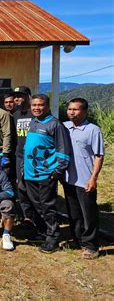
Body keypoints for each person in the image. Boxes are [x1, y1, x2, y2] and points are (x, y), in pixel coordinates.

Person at [23, 94, 72, 254]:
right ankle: (43, 231)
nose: (37, 108)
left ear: (48, 106)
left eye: (40, 105)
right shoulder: (33, 122)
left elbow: (63, 151)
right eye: (34, 105)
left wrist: (57, 171)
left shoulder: (55, 124)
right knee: (36, 204)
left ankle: (53, 237)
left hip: (46, 174)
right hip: (30, 173)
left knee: (47, 206)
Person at [63, 98, 104, 259]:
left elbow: (99, 156)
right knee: (73, 213)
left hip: (85, 179)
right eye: (70, 109)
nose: (72, 112)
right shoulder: (65, 127)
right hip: (68, 179)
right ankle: (77, 240)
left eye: (76, 109)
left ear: (85, 112)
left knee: (89, 214)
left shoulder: (93, 130)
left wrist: (93, 178)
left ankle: (92, 246)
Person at [11, 86, 36, 225]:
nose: (17, 99)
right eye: (15, 97)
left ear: (28, 96)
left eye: (20, 96)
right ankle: (28, 217)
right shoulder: (16, 114)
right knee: (21, 187)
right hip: (19, 156)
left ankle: (38, 217)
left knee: (33, 188)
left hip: (34, 157)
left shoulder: (35, 113)